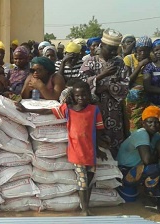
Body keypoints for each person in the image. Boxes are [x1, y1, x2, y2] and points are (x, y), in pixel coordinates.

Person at [16, 81, 108, 216]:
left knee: (90, 180)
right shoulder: (68, 109)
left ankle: (85, 204)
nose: (81, 98)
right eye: (77, 96)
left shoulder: (94, 110)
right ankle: (85, 210)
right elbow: (48, 111)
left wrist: (99, 149)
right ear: (73, 96)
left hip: (91, 152)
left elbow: (98, 131)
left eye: (84, 95)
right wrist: (27, 109)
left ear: (89, 95)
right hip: (77, 153)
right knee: (82, 180)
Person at [80, 28, 128, 157]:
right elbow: (81, 85)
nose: (113, 52)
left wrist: (104, 87)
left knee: (114, 141)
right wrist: (103, 75)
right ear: (102, 45)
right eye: (110, 49)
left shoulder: (119, 63)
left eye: (115, 49)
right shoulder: (90, 62)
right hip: (94, 109)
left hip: (114, 110)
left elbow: (125, 86)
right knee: (95, 138)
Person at [117, 106, 160, 203]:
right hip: (123, 171)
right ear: (143, 123)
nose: (154, 125)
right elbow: (147, 160)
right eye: (150, 122)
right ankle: (152, 197)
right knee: (156, 168)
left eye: (157, 122)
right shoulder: (141, 134)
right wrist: (159, 155)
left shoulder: (156, 136)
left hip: (136, 169)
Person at [124, 36, 153, 134]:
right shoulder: (129, 59)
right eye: (140, 50)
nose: (143, 54)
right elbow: (127, 81)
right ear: (136, 49)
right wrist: (140, 65)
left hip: (147, 95)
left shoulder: (151, 60)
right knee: (133, 122)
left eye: (146, 51)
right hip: (132, 96)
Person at [143, 39, 160, 119]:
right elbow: (147, 87)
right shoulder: (149, 67)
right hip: (155, 105)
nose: (159, 52)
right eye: (156, 50)